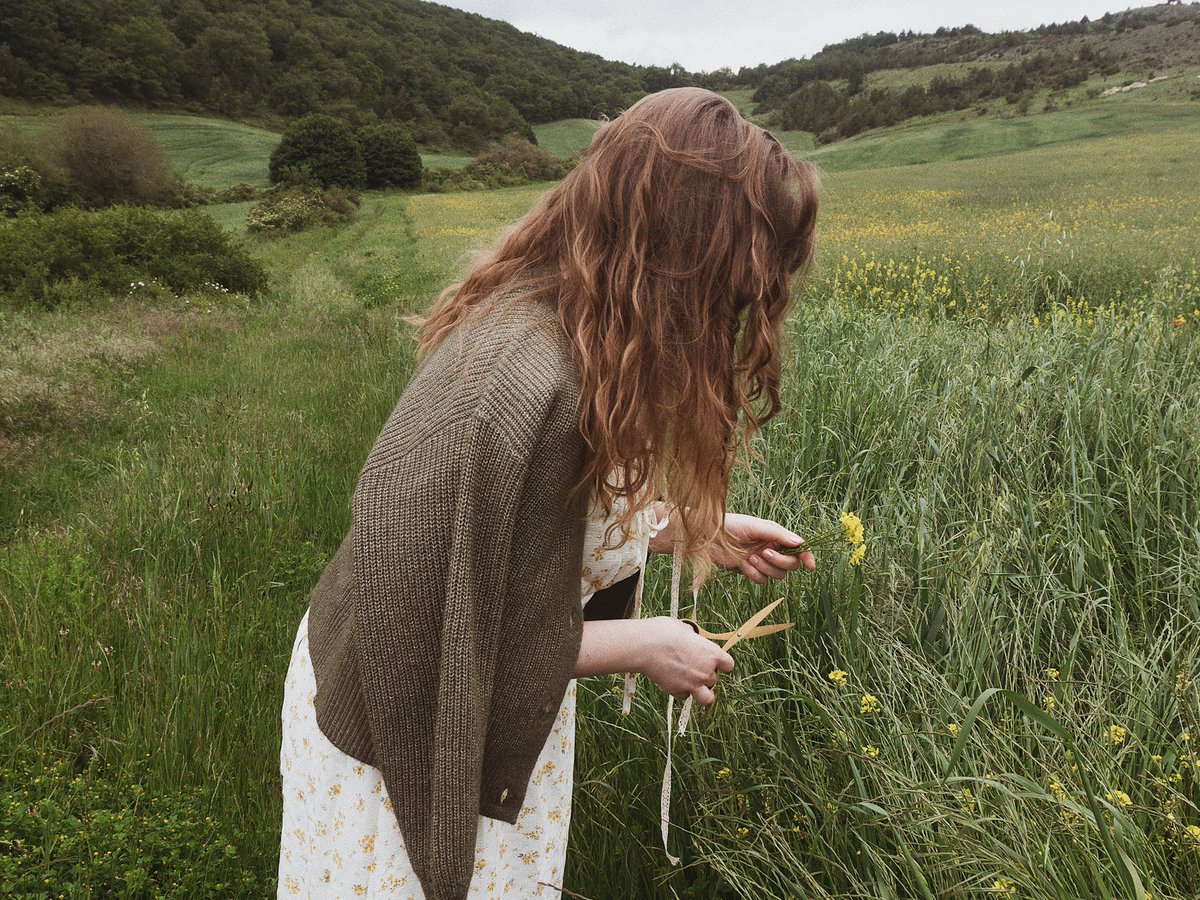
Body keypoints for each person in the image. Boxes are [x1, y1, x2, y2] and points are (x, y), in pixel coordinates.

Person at [277, 86, 820, 899]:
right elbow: (433, 623)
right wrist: (645, 645)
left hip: (470, 710)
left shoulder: (585, 331)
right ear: (678, 245)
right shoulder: (519, 379)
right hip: (403, 728)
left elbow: (536, 526)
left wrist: (694, 532)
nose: (749, 296)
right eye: (740, 264)